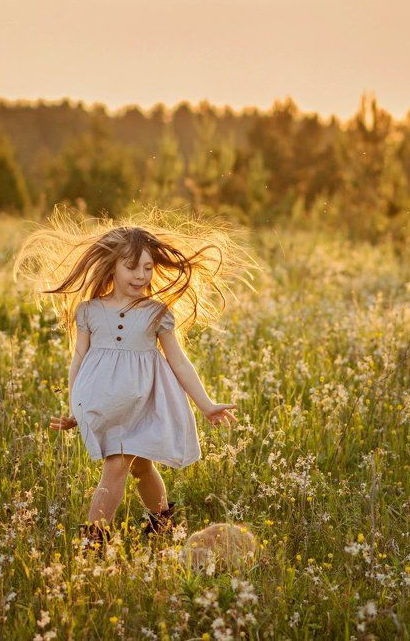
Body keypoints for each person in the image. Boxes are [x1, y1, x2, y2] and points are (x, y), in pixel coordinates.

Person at [13, 206, 257, 554]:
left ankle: (96, 543)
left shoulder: (157, 313)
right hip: (107, 403)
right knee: (132, 466)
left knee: (129, 466)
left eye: (147, 267)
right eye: (132, 267)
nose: (141, 275)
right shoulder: (89, 311)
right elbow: (78, 361)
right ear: (111, 265)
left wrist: (206, 404)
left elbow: (179, 362)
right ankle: (153, 528)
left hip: (144, 404)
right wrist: (75, 407)